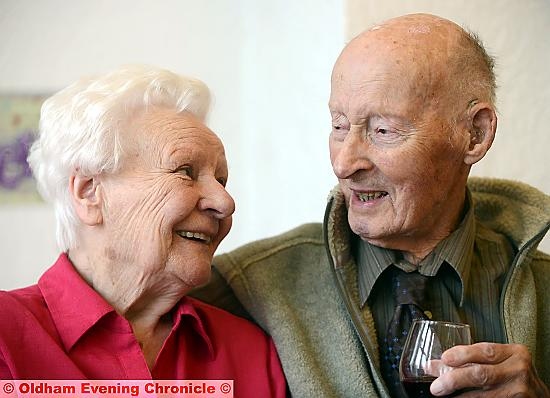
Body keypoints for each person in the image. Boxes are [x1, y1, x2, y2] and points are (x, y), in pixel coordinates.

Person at [192, 13, 550, 397]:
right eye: (339, 126)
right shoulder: (254, 284)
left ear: (474, 134)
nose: (344, 164)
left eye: (383, 130)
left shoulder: (543, 291)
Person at [0, 65, 287, 397]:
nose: (225, 202)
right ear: (89, 192)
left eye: (221, 180)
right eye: (186, 171)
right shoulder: (8, 336)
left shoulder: (250, 354)